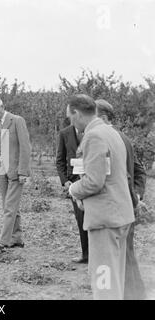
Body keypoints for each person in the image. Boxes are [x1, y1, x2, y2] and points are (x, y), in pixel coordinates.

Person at [68, 94, 135, 300]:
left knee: (104, 282)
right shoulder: (110, 132)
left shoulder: (94, 136)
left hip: (104, 219)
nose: (70, 122)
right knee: (114, 279)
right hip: (119, 215)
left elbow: (94, 182)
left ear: (77, 114)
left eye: (69, 117)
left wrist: (73, 189)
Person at [95, 99, 147, 300]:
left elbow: (133, 171)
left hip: (114, 208)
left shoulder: (107, 139)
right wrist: (136, 195)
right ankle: (136, 294)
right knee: (126, 255)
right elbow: (138, 171)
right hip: (125, 206)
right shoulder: (123, 137)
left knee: (117, 257)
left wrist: (134, 196)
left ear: (104, 118)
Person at [0, 95, 31, 252]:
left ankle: (2, 243)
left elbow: (25, 147)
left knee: (9, 208)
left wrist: (23, 171)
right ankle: (16, 238)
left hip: (16, 172)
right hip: (1, 171)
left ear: (2, 106)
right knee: (9, 206)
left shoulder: (17, 120)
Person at [56, 123, 88, 263]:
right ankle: (86, 254)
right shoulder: (64, 133)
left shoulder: (92, 130)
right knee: (80, 219)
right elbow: (60, 160)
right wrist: (65, 181)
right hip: (74, 183)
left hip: (92, 180)